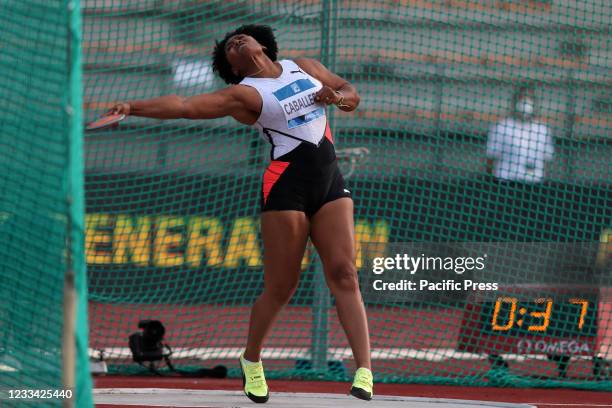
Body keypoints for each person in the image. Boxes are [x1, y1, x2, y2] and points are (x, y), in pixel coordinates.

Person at [108, 25, 373, 402]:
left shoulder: (304, 66)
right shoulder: (244, 94)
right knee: (282, 286)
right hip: (286, 186)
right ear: (232, 67)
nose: (235, 41)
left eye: (241, 37)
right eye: (229, 48)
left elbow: (351, 94)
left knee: (344, 273)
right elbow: (184, 107)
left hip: (330, 181)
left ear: (261, 43)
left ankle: (364, 370)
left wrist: (339, 98)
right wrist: (132, 108)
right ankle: (252, 360)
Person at [486, 86, 554, 183]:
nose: (526, 103)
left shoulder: (542, 129)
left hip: (535, 184)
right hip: (507, 182)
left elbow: (547, 159)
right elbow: (491, 158)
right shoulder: (502, 127)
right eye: (522, 98)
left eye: (529, 98)